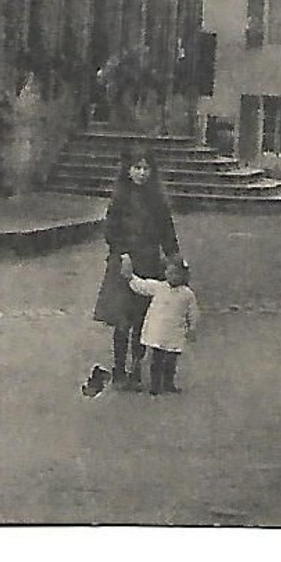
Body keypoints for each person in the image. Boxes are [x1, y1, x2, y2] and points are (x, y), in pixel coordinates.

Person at [91, 150, 180, 392]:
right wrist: (122, 254)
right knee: (123, 318)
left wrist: (175, 259)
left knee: (144, 319)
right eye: (136, 168)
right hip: (124, 264)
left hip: (149, 263)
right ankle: (119, 369)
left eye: (146, 168)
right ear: (127, 170)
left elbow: (167, 232)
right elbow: (111, 230)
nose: (141, 173)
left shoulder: (157, 200)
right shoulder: (120, 198)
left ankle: (136, 368)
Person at [120, 255, 199, 395]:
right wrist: (130, 277)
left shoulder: (187, 294)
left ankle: (169, 383)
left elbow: (193, 312)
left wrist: (192, 328)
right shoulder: (159, 287)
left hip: (174, 331)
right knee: (156, 359)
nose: (173, 277)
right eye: (170, 273)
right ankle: (155, 385)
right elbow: (142, 286)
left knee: (171, 360)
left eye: (177, 274)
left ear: (184, 276)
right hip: (159, 331)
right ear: (165, 273)